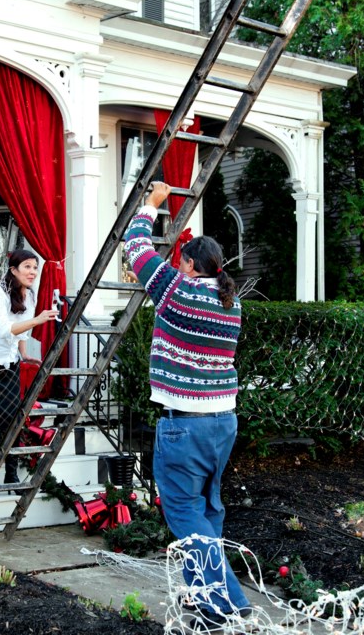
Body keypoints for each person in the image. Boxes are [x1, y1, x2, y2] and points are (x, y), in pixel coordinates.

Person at [123, 182, 251, 625]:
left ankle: (226, 601)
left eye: (180, 261)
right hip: (223, 423)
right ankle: (204, 599)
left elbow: (135, 247)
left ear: (191, 266)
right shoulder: (231, 304)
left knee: (182, 511)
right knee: (208, 509)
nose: (175, 267)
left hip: (187, 425)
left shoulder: (178, 291)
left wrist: (151, 205)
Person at [0, 249, 59, 492]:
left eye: (35, 267)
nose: (33, 272)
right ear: (13, 269)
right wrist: (39, 320)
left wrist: (24, 352)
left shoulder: (28, 296)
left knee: (13, 420)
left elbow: (21, 332)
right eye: (27, 267)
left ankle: (11, 476)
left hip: (9, 362)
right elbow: (4, 329)